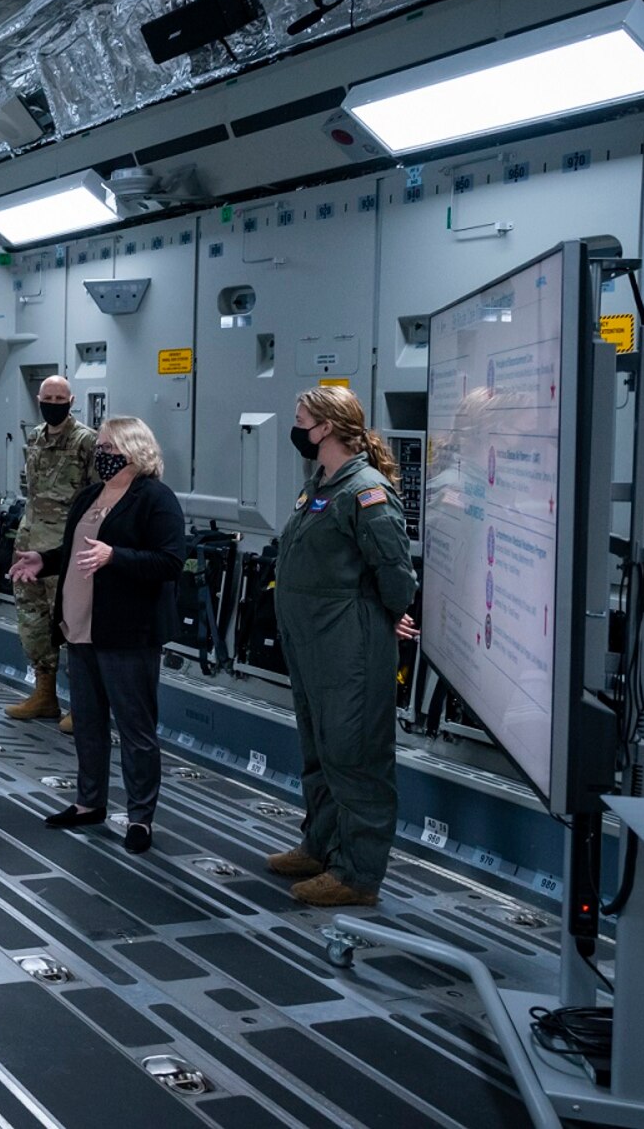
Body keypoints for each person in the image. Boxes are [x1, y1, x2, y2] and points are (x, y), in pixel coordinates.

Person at [267, 386, 419, 908]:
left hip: (349, 646)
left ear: (326, 427)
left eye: (301, 418)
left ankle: (357, 874)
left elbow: (396, 573)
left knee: (356, 756)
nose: (297, 427)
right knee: (321, 751)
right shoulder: (322, 484)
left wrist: (383, 617)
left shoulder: (365, 491)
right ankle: (321, 845)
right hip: (314, 644)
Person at [10, 417, 185, 855]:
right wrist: (43, 561)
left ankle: (141, 817)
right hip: (80, 629)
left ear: (132, 450)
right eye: (100, 447)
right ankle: (89, 802)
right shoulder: (90, 495)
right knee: (87, 724)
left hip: (127, 634)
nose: (100, 453)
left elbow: (170, 561)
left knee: (134, 728)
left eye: (107, 446)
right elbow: (75, 551)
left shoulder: (155, 500)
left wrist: (116, 556)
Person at [5, 375, 96, 731]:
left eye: (60, 398)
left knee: (71, 625)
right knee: (33, 622)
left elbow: (94, 498)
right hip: (30, 544)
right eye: (48, 397)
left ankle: (82, 705)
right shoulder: (35, 437)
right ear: (39, 399)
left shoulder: (87, 442)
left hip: (64, 549)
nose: (53, 403)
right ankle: (44, 695)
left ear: (71, 401)